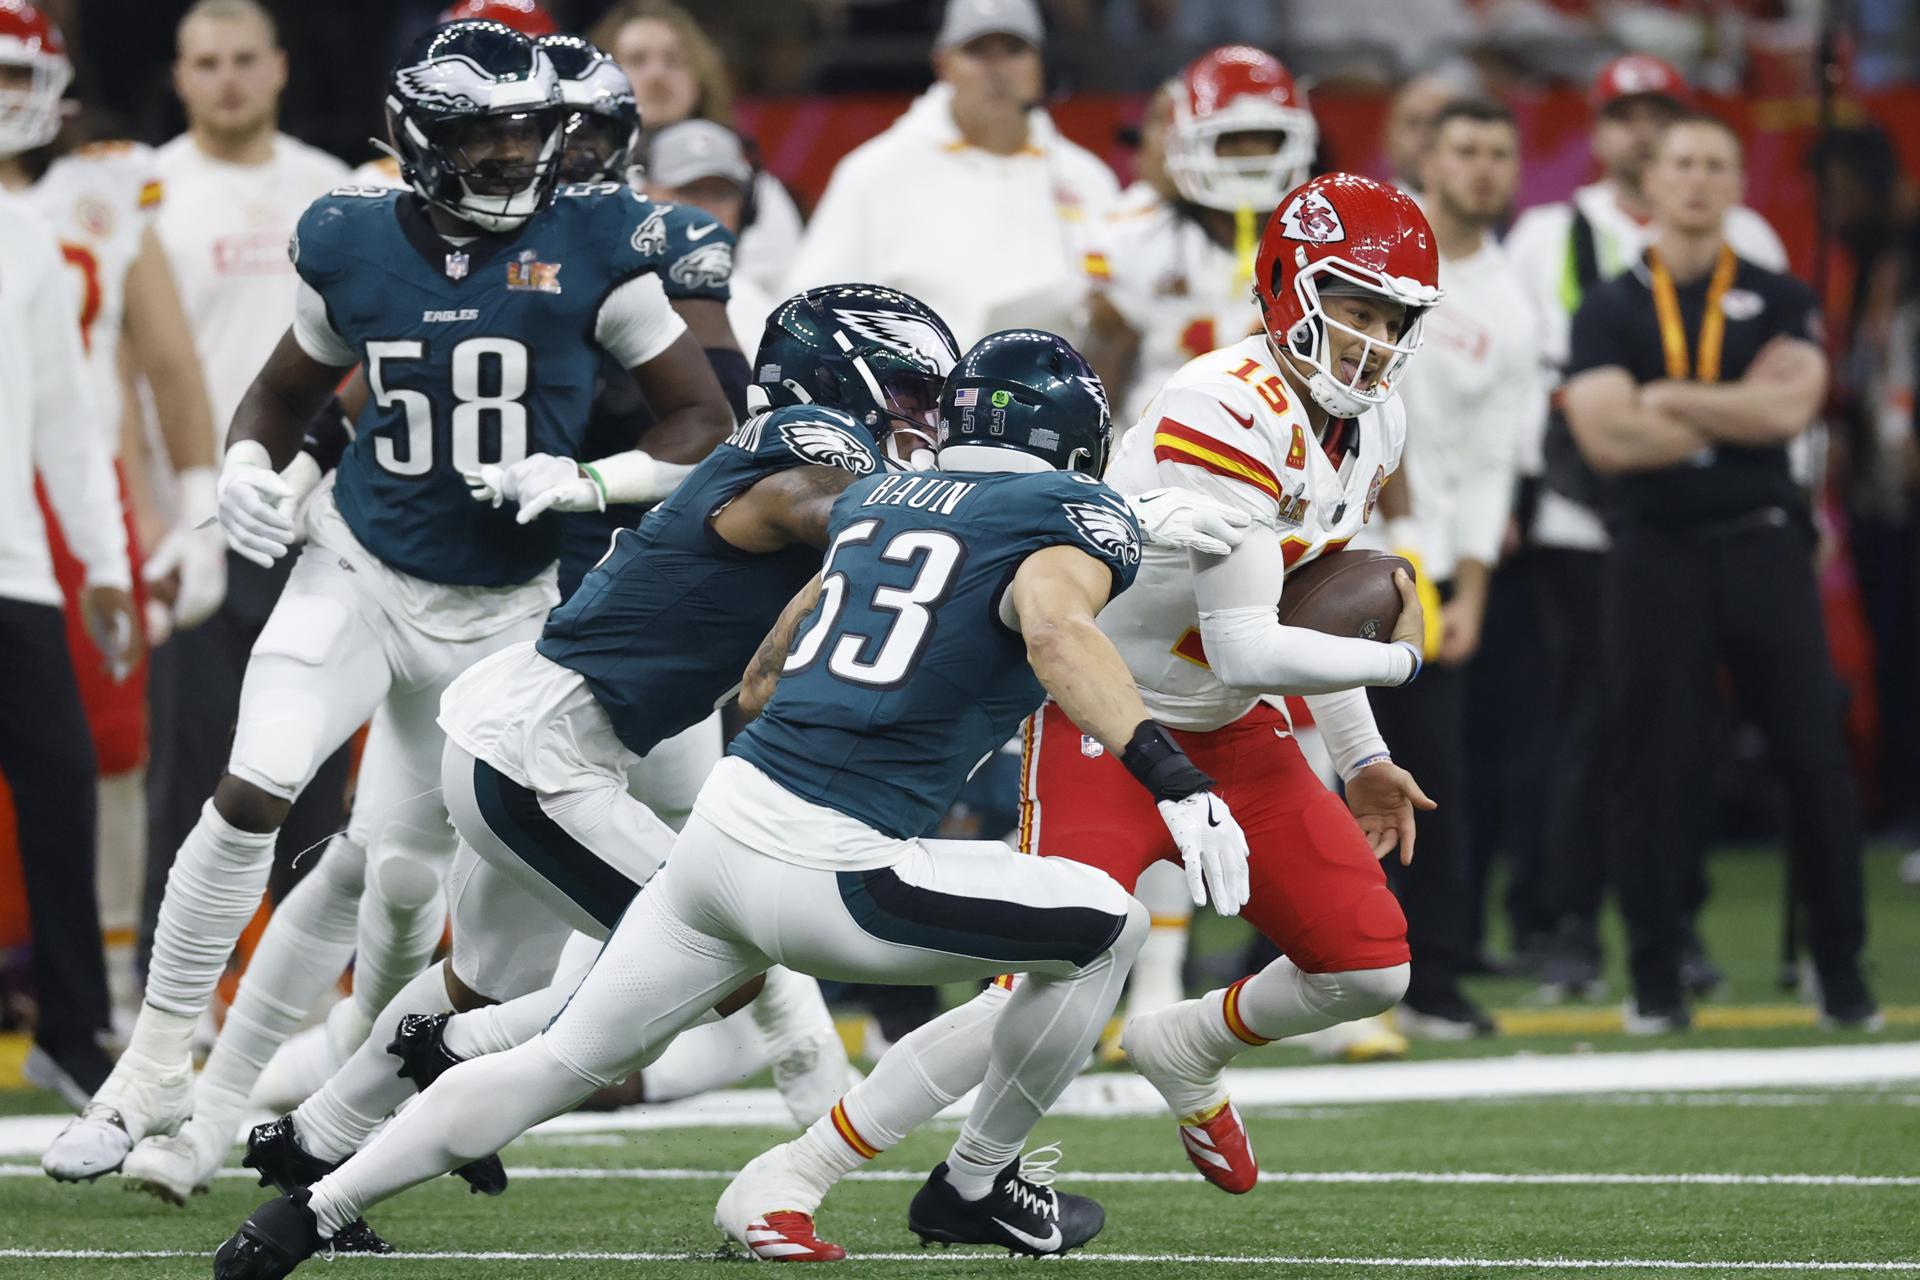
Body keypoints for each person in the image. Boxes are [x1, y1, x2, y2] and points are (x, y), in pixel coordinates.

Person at [212, 330, 1254, 1273]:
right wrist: (1174, 773)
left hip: (722, 828)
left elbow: (767, 670)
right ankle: (978, 1181)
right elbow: (1058, 634)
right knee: (1107, 926)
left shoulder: (881, 498)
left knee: (564, 1055)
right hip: (827, 862)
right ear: (1079, 447)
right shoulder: (1071, 513)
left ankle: (306, 1211)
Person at [42, 19, 734, 1186]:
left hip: (511, 609)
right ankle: (150, 1070)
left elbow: (704, 416)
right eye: (487, 135)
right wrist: (248, 475)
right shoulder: (350, 237)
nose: (517, 157)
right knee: (255, 780)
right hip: (360, 566)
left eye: (532, 132)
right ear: (421, 140)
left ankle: (257, 1119)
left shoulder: (599, 240)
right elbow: (282, 390)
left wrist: (587, 478)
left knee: (401, 878)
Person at [715, 174, 1441, 1252]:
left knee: (1369, 962)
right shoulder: (1224, 402)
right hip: (1108, 715)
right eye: (1356, 305)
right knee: (1049, 973)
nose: (1372, 340)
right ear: (1290, 285)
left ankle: (1181, 1044)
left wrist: (1365, 753)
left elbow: (1301, 599)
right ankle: (806, 1168)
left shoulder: (1368, 425)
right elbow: (1255, 637)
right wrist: (1406, 658)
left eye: (1394, 317)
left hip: (1230, 725)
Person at [1561, 114, 1878, 1033]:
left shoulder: (1780, 295)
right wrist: (1733, 411)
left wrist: (1666, 398)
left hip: (1762, 541)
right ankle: (1657, 976)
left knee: (1812, 754)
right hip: (1652, 549)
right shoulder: (1611, 304)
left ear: (1738, 184)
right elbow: (1606, 436)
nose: (1698, 181)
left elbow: (1796, 405)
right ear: (1649, 185)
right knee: (1651, 762)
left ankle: (1840, 968)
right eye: (1682, 164)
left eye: (1717, 165)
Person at [1505, 54, 1788, 999]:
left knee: (1696, 730)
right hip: (1583, 516)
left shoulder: (1745, 232)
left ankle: (1678, 917)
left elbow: (1780, 377)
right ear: (1598, 129)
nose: (1639, 133)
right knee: (1599, 727)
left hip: (1706, 516)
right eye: (1621, 115)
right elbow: (1527, 378)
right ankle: (1574, 920)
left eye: (1655, 114)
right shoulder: (1552, 233)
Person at [0, 0, 222, 1051]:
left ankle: (95, 996)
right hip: (43, 503)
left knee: (95, 755)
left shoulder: (87, 204)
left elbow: (143, 379)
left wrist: (178, 509)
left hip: (60, 509)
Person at [139, 0, 353, 997]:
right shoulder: (146, 194)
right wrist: (157, 512)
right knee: (190, 769)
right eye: (205, 62)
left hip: (320, 518)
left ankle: (297, 1001)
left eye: (242, 59)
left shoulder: (333, 191)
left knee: (312, 770)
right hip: (198, 522)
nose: (225, 77)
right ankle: (166, 991)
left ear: (276, 68)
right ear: (179, 77)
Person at [1364, 99, 1541, 1038]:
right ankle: (1285, 968)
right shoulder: (1372, 250)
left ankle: (1427, 976)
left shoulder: (1512, 303)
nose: (1481, 168)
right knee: (1292, 763)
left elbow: (1491, 466)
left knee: (1425, 772)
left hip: (1422, 570)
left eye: (1498, 153)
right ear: (1425, 153)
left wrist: (1465, 592)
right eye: (1464, 149)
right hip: (1327, 539)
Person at [0, 125, 141, 1110]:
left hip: (13, 559)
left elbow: (64, 412)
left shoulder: (25, 232)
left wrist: (99, 558)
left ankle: (73, 1021)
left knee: (62, 781)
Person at [784, 0, 1119, 347]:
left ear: (1039, 65)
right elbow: (811, 308)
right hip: (916, 395)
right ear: (943, 64)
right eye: (977, 52)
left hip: (1063, 391)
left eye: (1014, 50)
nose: (997, 70)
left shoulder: (1085, 177)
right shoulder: (876, 173)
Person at [1082, 45, 1317, 427]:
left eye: (1264, 137)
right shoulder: (1136, 241)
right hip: (1154, 463)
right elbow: (1095, 397)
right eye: (1230, 139)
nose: (1250, 154)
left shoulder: (1323, 246)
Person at [590, 0, 805, 297]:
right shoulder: (581, 186)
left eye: (674, 60)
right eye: (637, 60)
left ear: (700, 74)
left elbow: (790, 295)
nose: (657, 74)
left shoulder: (754, 187)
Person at [643, 119, 776, 350]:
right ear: (644, 194)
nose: (703, 209)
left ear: (745, 209)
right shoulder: (610, 294)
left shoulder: (764, 316)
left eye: (720, 193)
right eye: (688, 190)